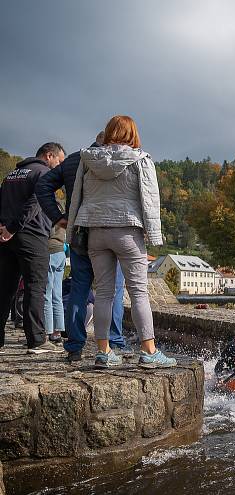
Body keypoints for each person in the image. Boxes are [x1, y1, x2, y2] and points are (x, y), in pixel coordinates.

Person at [67, 115, 174, 369]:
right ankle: (149, 351)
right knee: (138, 292)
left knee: (103, 292)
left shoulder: (88, 160)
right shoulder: (140, 160)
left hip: (96, 232)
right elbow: (150, 201)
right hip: (128, 231)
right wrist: (154, 234)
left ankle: (103, 352)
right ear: (132, 134)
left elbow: (75, 198)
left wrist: (72, 230)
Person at [36, 132, 129, 362]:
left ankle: (75, 346)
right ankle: (114, 343)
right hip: (109, 231)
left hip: (79, 233)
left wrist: (58, 217)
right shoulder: (116, 160)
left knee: (79, 288)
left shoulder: (74, 160)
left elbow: (43, 185)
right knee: (114, 290)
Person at [0, 142, 65, 354]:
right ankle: (37, 340)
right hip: (32, 235)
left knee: (5, 289)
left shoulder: (12, 174)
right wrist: (14, 227)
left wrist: (4, 227)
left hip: (6, 238)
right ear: (49, 156)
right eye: (59, 161)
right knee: (36, 287)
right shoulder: (44, 173)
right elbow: (35, 202)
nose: (59, 167)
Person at [43, 221, 66, 344]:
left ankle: (47, 330)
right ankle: (57, 332)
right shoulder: (60, 210)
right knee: (57, 295)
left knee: (46, 294)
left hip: (50, 251)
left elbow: (49, 230)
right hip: (60, 252)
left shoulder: (48, 210)